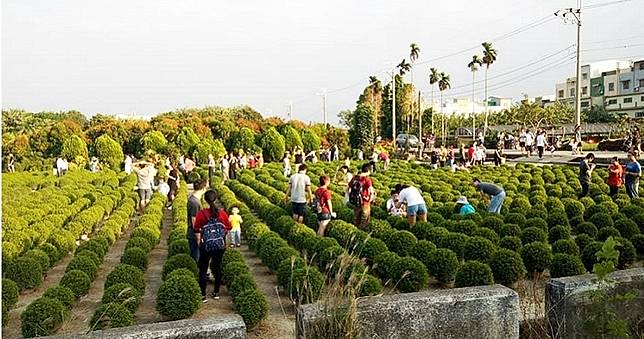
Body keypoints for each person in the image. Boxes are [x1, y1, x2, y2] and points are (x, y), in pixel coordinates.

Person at [192, 189, 232, 302]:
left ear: (205, 200)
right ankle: (216, 293)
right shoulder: (222, 213)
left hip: (206, 245)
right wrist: (220, 234)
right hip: (219, 245)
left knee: (203, 269)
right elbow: (229, 227)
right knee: (217, 267)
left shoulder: (201, 213)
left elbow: (196, 228)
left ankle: (203, 295)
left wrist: (201, 239)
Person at [348, 163, 375, 229]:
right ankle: (360, 233)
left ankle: (354, 231)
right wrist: (371, 199)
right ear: (368, 171)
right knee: (364, 221)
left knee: (356, 219)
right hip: (365, 202)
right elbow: (371, 191)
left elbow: (349, 187)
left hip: (356, 201)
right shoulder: (367, 179)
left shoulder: (355, 177)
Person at [187, 179, 208, 262]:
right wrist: (198, 237)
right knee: (196, 257)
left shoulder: (194, 199)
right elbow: (194, 220)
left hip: (195, 233)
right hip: (194, 234)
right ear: (203, 189)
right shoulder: (194, 202)